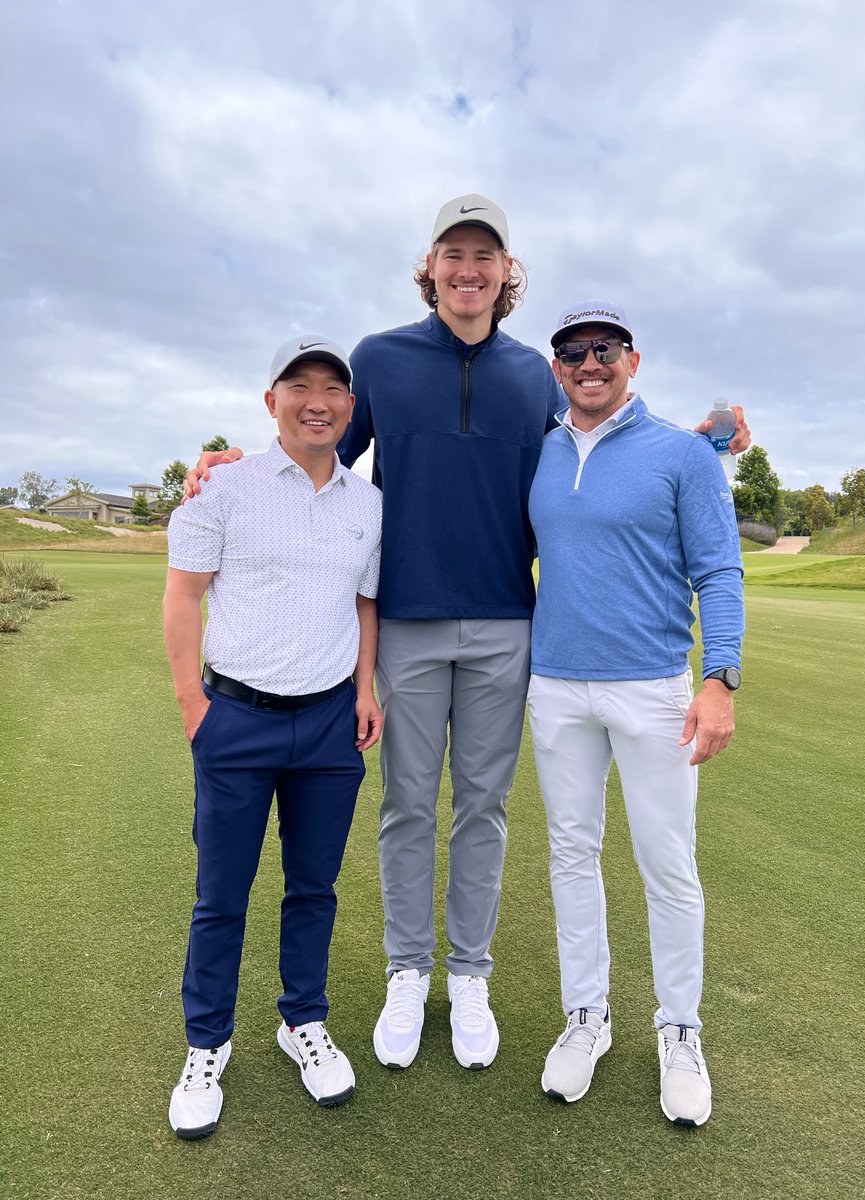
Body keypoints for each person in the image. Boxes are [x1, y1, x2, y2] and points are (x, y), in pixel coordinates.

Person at [184, 196, 750, 1076]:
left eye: (486, 254)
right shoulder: (377, 358)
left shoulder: (537, 372)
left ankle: (469, 973)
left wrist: (710, 435)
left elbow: (603, 430)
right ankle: (409, 970)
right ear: (432, 265)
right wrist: (228, 461)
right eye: (454, 252)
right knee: (408, 805)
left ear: (506, 272)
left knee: (481, 809)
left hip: (504, 624)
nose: (469, 268)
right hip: (405, 619)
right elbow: (321, 443)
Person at [527, 300, 744, 1127]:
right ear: (557, 369)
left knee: (667, 863)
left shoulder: (683, 455)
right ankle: (587, 1017)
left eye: (605, 348)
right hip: (556, 686)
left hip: (653, 686)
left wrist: (719, 678)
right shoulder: (539, 447)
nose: (590, 362)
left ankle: (679, 1029)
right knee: (573, 855)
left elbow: (718, 571)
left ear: (632, 359)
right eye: (573, 351)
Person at [163, 335, 382, 1139]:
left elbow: (365, 603)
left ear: (350, 409)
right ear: (271, 402)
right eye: (299, 385)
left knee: (313, 888)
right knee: (220, 896)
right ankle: (206, 1041)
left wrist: (364, 690)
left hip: (328, 724)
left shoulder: (369, 503)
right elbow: (184, 599)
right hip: (237, 719)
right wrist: (195, 707)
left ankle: (302, 1022)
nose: (316, 399)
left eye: (332, 388)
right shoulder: (223, 488)